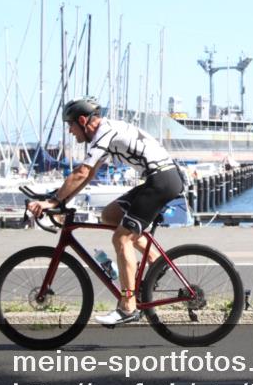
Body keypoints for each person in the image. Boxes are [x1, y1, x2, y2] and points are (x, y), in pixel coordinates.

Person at [27, 97, 185, 325]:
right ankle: (156, 262)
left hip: (161, 181)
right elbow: (89, 174)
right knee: (110, 216)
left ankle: (128, 307)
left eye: (70, 125)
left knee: (121, 239)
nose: (70, 131)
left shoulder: (104, 132)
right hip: (159, 178)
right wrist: (61, 199)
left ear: (82, 120)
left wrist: (53, 202)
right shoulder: (106, 132)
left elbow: (82, 172)